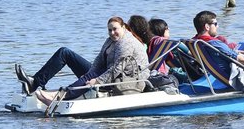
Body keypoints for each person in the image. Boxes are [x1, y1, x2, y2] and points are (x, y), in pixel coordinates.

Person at [15, 16, 149, 98]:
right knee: (64, 52)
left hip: (124, 81)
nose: (112, 33)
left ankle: (63, 95)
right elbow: (99, 60)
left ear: (124, 27)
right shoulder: (111, 40)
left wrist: (97, 81)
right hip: (105, 74)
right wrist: (91, 74)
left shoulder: (126, 43)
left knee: (92, 75)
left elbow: (117, 69)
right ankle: (34, 82)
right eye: (110, 30)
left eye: (115, 29)